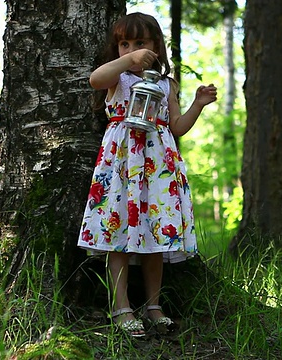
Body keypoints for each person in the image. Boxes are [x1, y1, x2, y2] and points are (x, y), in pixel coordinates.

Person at [77, 12, 217, 337]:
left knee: (157, 236)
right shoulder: (118, 77)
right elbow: (95, 79)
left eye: (140, 43)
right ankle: (121, 307)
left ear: (156, 46)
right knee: (119, 234)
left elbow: (177, 126)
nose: (132, 49)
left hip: (158, 168)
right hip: (124, 164)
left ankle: (153, 305)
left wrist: (197, 104)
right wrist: (128, 61)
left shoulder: (166, 84)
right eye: (124, 44)